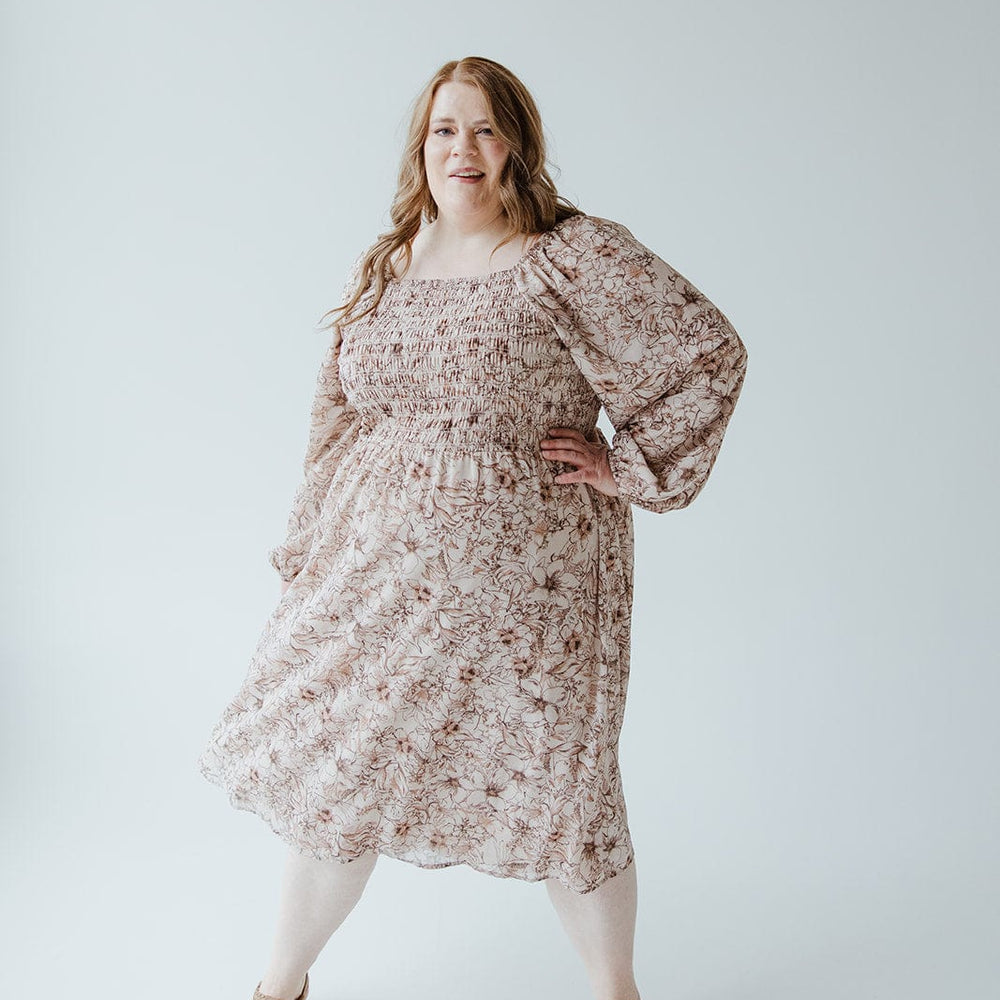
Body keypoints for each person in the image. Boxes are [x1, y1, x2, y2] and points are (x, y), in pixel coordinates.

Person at [197, 55, 748, 1000]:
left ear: (518, 146)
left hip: (528, 577)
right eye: (446, 128)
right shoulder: (392, 256)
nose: (464, 147)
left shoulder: (569, 255)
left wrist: (627, 466)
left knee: (563, 785)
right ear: (422, 143)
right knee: (345, 772)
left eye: (486, 128)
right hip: (378, 575)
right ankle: (279, 986)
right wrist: (312, 541)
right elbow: (339, 413)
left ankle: (616, 989)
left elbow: (705, 352)